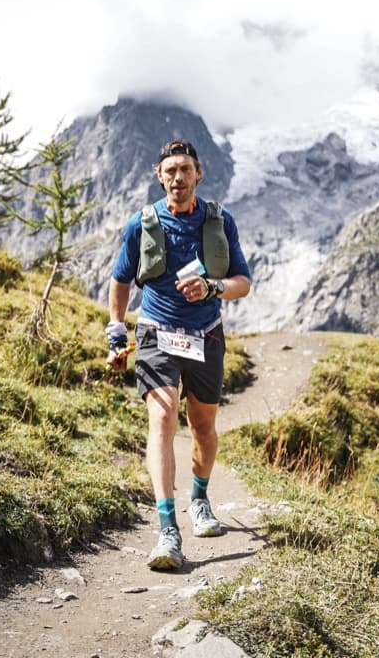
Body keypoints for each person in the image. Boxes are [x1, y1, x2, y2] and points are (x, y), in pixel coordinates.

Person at [106, 140, 252, 571]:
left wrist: (213, 287)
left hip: (206, 335)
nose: (178, 177)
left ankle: (200, 499)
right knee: (163, 417)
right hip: (156, 333)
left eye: (185, 169)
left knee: (203, 426)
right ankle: (167, 530)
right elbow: (120, 280)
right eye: (170, 170)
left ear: (199, 174)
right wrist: (116, 331)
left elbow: (243, 282)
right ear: (159, 176)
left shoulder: (220, 221)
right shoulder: (142, 224)